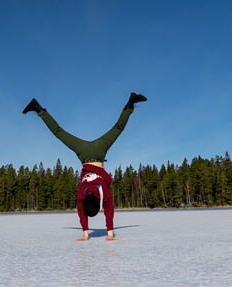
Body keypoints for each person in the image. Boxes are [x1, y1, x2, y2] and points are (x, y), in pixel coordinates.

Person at [22, 92, 147, 241]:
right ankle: (38, 109)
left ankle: (130, 104)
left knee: (116, 129)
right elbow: (82, 213)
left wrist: (109, 234)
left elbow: (109, 211)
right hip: (85, 152)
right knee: (59, 133)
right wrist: (86, 234)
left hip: (98, 152)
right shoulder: (81, 194)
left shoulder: (103, 193)